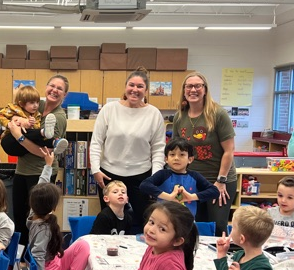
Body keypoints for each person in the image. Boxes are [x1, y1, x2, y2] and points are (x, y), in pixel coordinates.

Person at [90, 68, 166, 232]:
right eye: (131, 85)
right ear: (125, 87)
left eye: (140, 86)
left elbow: (158, 149)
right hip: (109, 175)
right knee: (110, 222)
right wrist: (95, 169)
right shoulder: (109, 109)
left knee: (144, 221)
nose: (135, 89)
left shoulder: (154, 114)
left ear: (146, 90)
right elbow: (96, 142)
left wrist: (155, 178)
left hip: (142, 177)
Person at [172, 72, 237, 236]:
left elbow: (229, 151)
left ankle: (221, 253)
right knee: (197, 226)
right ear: (184, 90)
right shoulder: (180, 116)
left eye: (198, 86)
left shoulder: (217, 114)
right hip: (193, 181)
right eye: (189, 86)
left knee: (217, 226)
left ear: (205, 89)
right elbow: (177, 151)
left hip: (218, 181)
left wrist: (221, 181)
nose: (193, 90)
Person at [9, 75, 70, 245]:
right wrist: (17, 121)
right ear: (46, 87)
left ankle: (37, 254)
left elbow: (45, 152)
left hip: (41, 170)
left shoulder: (59, 117)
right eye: (52, 86)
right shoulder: (37, 105)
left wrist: (19, 137)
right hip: (22, 169)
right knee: (19, 217)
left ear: (65, 94)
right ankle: (20, 254)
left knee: (37, 219)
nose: (54, 90)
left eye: (60, 88)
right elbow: (15, 111)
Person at [27, 148, 91, 270]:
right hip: (48, 269)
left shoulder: (35, 211)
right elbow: (38, 256)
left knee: (83, 245)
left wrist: (48, 165)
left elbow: (41, 184)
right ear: (52, 207)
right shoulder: (42, 228)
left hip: (57, 260)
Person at [139, 137, 219, 217]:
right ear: (166, 159)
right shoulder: (162, 174)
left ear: (190, 159)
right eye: (172, 154)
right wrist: (168, 197)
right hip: (163, 218)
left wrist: (191, 197)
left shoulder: (195, 176)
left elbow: (214, 191)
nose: (176, 158)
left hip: (187, 220)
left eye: (182, 155)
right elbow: (144, 185)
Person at [0, 84, 68, 157]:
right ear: (21, 103)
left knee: (37, 137)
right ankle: (43, 132)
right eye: (32, 103)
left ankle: (54, 142)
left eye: (37, 102)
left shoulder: (36, 114)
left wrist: (31, 124)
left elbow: (34, 130)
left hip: (24, 144)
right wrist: (9, 123)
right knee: (27, 132)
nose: (36, 105)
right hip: (10, 142)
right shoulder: (14, 109)